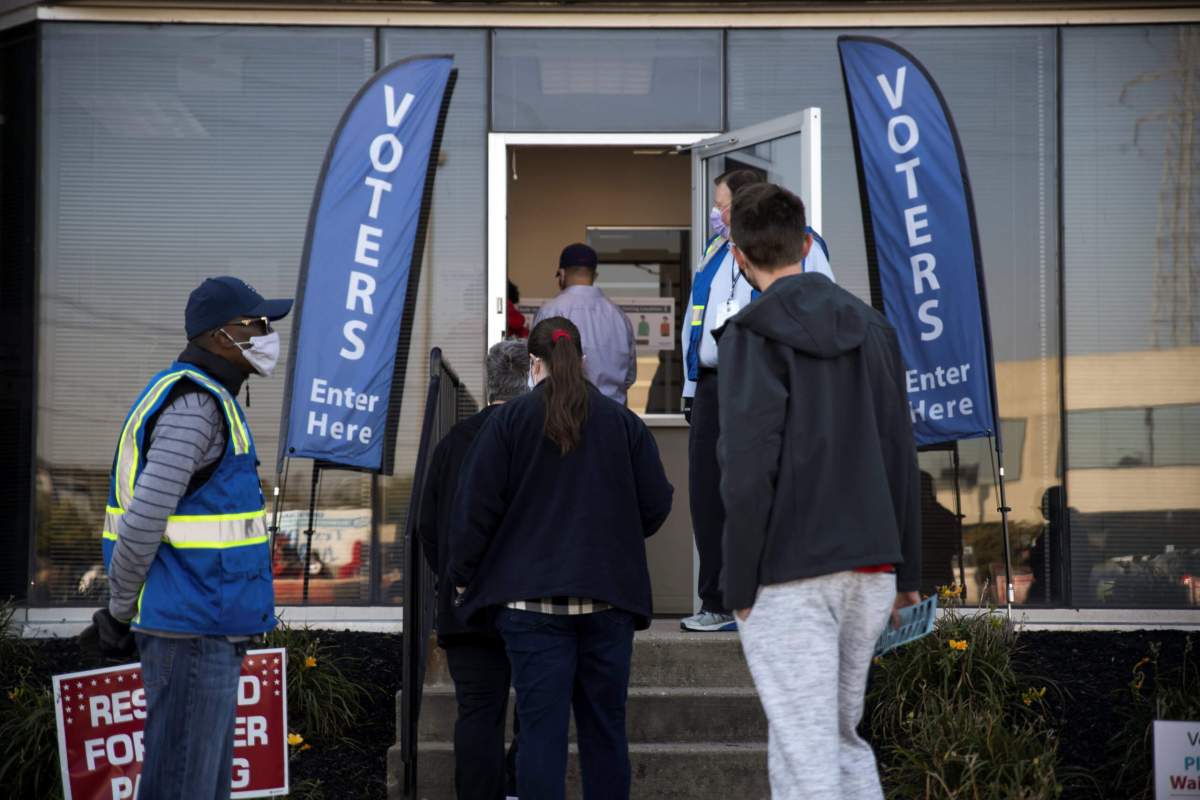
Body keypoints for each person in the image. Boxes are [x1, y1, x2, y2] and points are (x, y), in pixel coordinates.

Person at [717, 183, 921, 799]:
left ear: (738, 256)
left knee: (805, 752)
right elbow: (900, 455)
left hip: (790, 572)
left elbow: (747, 470)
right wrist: (906, 570)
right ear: (807, 244)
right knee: (838, 739)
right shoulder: (876, 329)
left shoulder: (747, 336)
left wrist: (737, 582)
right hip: (872, 566)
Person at [83, 276, 291, 799]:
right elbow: (143, 522)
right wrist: (119, 613)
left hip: (203, 629)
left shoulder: (211, 401)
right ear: (221, 336)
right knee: (184, 787)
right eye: (257, 324)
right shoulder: (196, 408)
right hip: (191, 632)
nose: (268, 334)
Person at [448, 317, 673, 800]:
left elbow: (474, 509)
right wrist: (617, 538)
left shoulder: (509, 422)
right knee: (606, 734)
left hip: (530, 610)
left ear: (533, 363)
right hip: (607, 604)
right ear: (582, 359)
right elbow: (656, 504)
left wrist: (464, 577)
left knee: (540, 737)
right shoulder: (623, 423)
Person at [679, 168, 835, 632]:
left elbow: (814, 308)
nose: (716, 214)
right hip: (712, 385)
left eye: (721, 205)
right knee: (708, 496)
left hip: (761, 379)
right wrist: (690, 388)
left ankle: (764, 598)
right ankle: (718, 600)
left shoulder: (798, 243)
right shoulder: (713, 251)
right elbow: (695, 319)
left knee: (758, 488)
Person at [417, 339, 529, 800]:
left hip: (464, 606)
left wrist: (449, 575)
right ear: (532, 379)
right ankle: (519, 784)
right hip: (529, 603)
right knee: (537, 710)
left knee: (477, 713)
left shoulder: (452, 443)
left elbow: (427, 526)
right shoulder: (538, 440)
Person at [532, 243, 637, 405]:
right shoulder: (619, 316)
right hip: (612, 414)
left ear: (561, 274)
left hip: (562, 414)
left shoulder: (550, 311)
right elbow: (630, 376)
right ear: (595, 275)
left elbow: (536, 371)